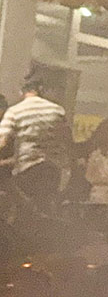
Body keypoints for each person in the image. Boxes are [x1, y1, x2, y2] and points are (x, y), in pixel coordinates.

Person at [0, 76, 72, 211]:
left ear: (21, 92)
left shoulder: (15, 111)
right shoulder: (57, 110)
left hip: (27, 167)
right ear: (41, 89)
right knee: (45, 207)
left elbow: (2, 141)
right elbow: (67, 139)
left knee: (25, 208)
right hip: (53, 168)